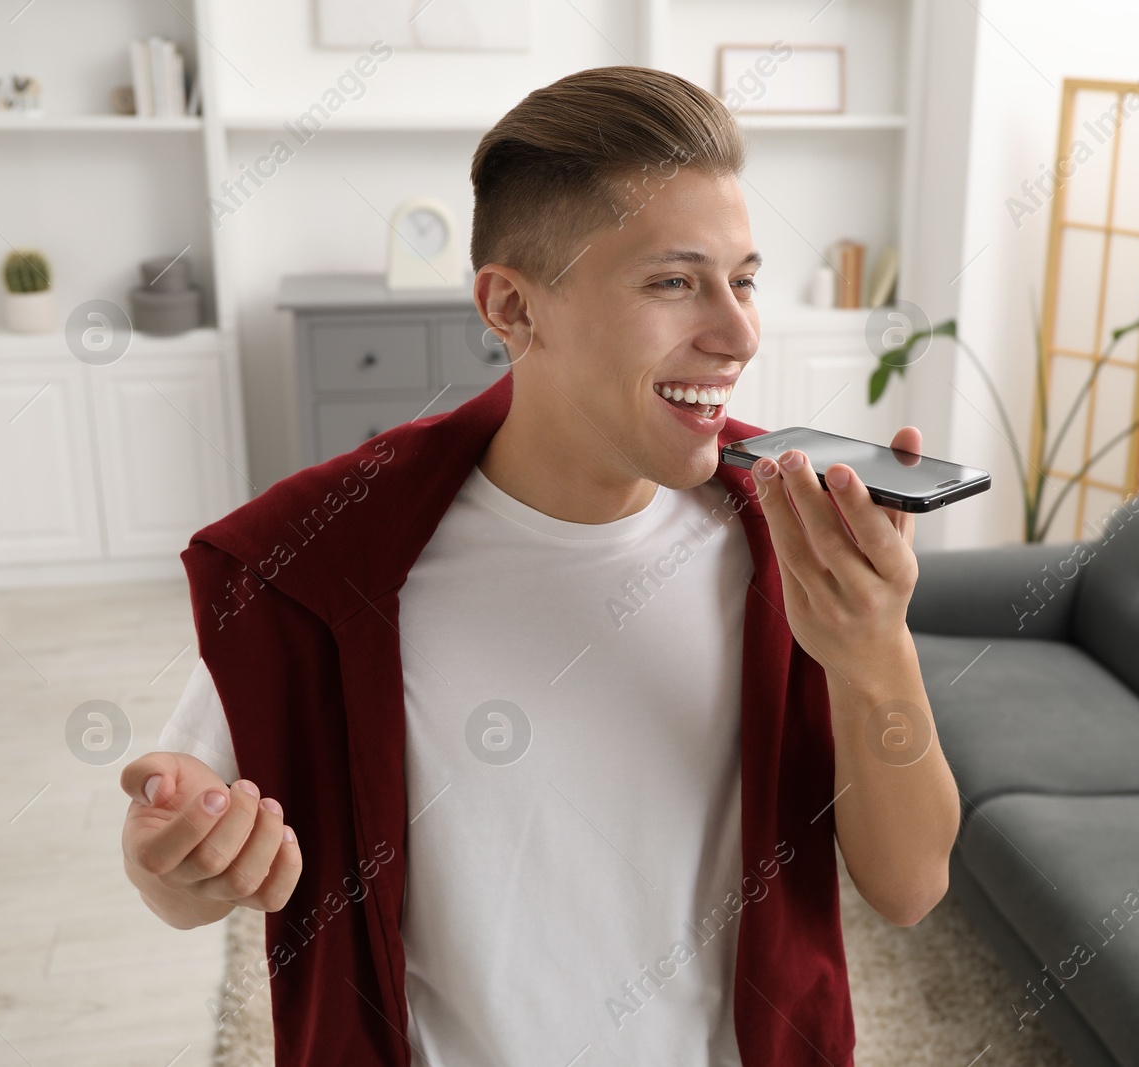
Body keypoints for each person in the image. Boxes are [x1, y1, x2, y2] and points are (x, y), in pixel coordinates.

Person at [117, 65, 959, 1067]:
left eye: (743, 278)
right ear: (512, 307)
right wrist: (175, 861)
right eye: (673, 280)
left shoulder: (789, 539)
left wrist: (874, 651)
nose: (737, 334)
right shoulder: (324, 558)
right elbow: (176, 866)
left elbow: (908, 886)